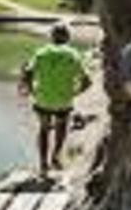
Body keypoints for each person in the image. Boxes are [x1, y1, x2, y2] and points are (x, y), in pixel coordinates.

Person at [19, 22, 91, 175]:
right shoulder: (73, 54)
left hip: (43, 100)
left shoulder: (40, 53)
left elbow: (27, 74)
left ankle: (43, 164)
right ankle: (56, 156)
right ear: (68, 37)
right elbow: (87, 81)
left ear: (51, 36)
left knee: (44, 129)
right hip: (64, 101)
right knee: (61, 127)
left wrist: (32, 91)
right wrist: (74, 93)